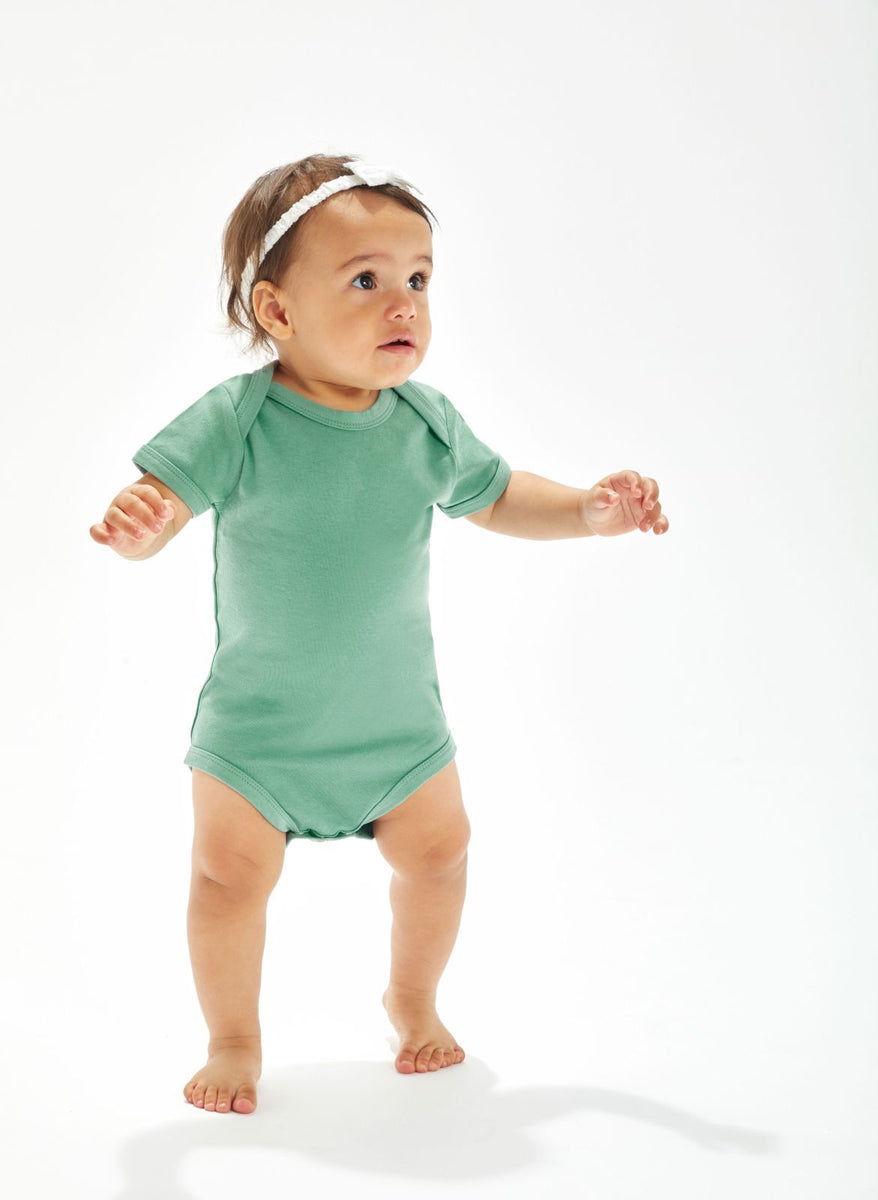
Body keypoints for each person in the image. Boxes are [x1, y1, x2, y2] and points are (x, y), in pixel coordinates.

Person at [89, 153, 669, 1116]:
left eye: (419, 279)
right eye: (365, 280)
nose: (404, 304)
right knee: (227, 878)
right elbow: (162, 508)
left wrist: (588, 511)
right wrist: (140, 526)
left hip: (397, 730)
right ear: (276, 311)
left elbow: (500, 497)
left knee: (441, 855)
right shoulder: (238, 419)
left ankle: (413, 998)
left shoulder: (423, 424)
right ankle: (233, 1039)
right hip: (259, 735)